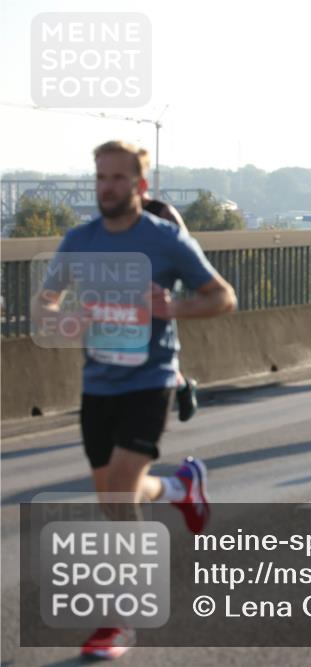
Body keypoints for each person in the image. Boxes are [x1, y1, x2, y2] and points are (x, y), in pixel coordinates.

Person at [32, 140, 237, 659]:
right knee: (115, 494)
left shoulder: (164, 239)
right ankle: (179, 486)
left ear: (140, 186)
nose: (107, 187)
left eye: (119, 178)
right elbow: (46, 302)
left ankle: (120, 618)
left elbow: (222, 297)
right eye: (101, 177)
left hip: (150, 381)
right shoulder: (80, 240)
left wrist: (175, 307)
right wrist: (63, 319)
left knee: (119, 493)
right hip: (98, 385)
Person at [140, 185, 199, 421]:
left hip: (159, 286)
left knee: (156, 354)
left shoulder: (162, 211)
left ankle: (183, 387)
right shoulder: (115, 215)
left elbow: (186, 246)